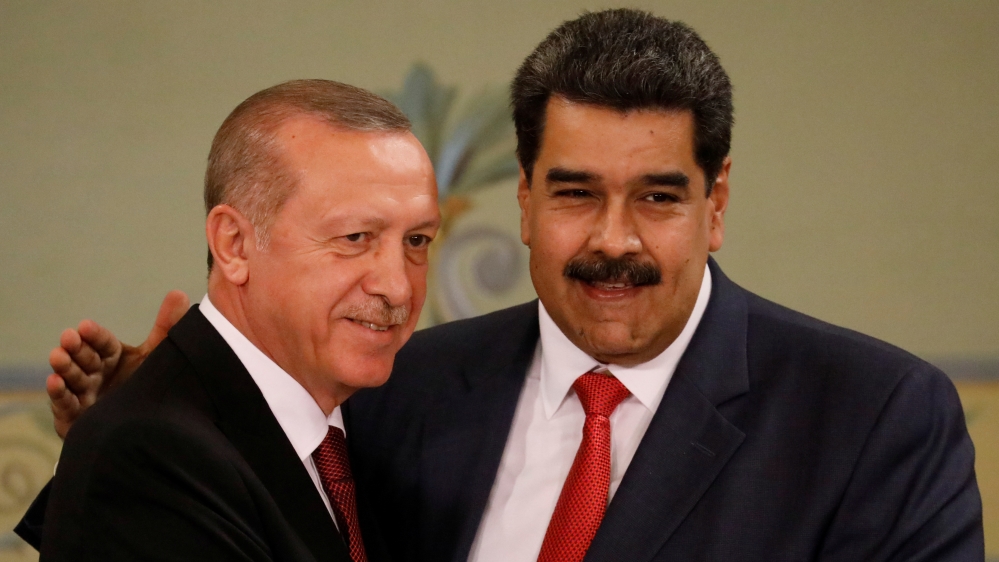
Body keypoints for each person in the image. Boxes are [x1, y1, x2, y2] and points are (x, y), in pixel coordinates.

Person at [21, 9, 984, 562]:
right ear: (522, 199)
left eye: (657, 195)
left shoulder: (873, 417)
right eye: (574, 194)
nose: (614, 242)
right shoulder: (402, 390)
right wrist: (178, 408)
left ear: (715, 202)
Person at [17, 79, 440, 562]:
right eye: (355, 237)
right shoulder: (151, 453)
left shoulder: (371, 427)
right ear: (234, 244)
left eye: (417, 241)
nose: (398, 287)